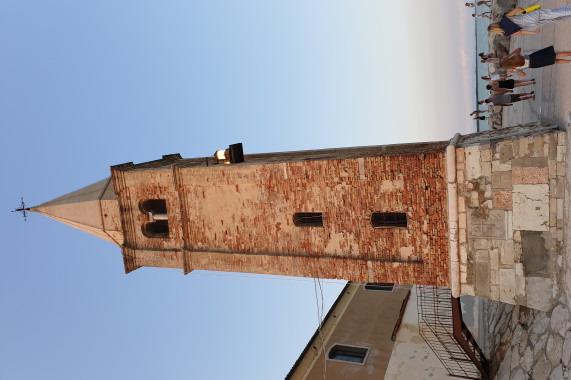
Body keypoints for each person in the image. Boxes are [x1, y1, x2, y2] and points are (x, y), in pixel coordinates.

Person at [488, 5, 571, 36]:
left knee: (555, 19)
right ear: (494, 24)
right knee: (554, 13)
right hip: (530, 17)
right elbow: (518, 9)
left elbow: (521, 32)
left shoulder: (506, 33)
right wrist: (524, 12)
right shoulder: (504, 19)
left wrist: (534, 32)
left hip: (531, 25)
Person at [500, 47, 571, 71]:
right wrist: (509, 55)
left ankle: (569, 61)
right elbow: (519, 49)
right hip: (534, 57)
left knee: (554, 61)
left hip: (534, 65)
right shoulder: (515, 57)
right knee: (555, 55)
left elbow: (522, 72)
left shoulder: (514, 68)